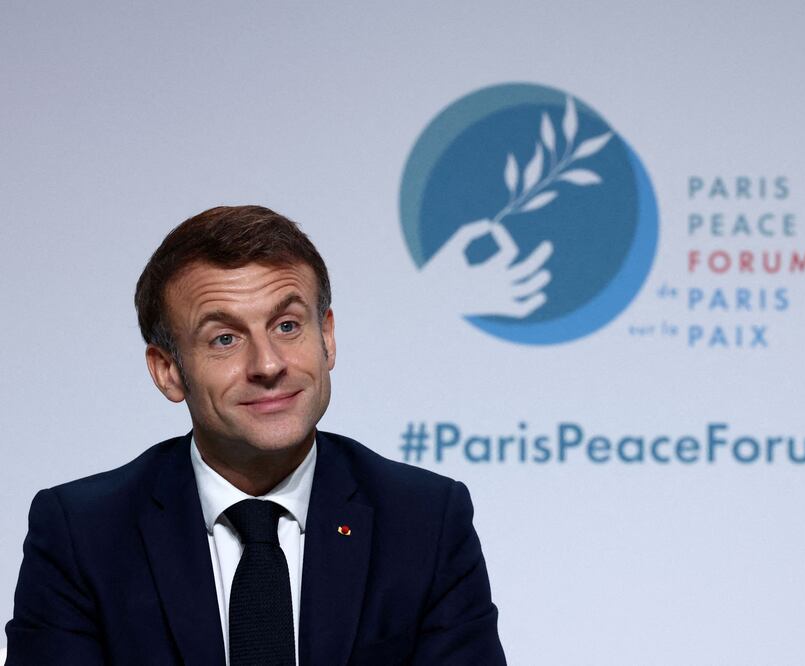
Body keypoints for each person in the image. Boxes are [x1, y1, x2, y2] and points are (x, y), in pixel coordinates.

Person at [5, 205, 506, 665]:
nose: (268, 365)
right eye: (224, 338)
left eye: (287, 326)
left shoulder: (425, 520)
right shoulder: (83, 534)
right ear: (167, 371)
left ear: (326, 337)